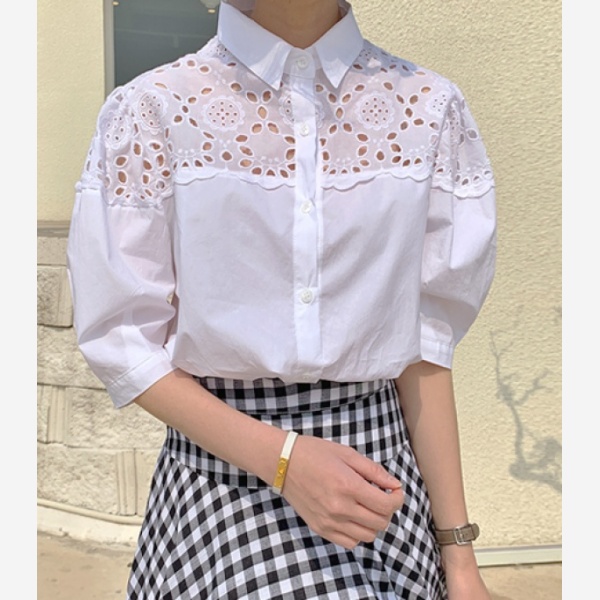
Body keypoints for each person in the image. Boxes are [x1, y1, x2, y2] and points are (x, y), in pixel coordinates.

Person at [67, 0, 497, 597]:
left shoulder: (427, 109)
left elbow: (425, 347)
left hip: (381, 487)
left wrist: (459, 557)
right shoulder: (153, 109)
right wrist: (285, 460)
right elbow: (124, 342)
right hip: (222, 486)